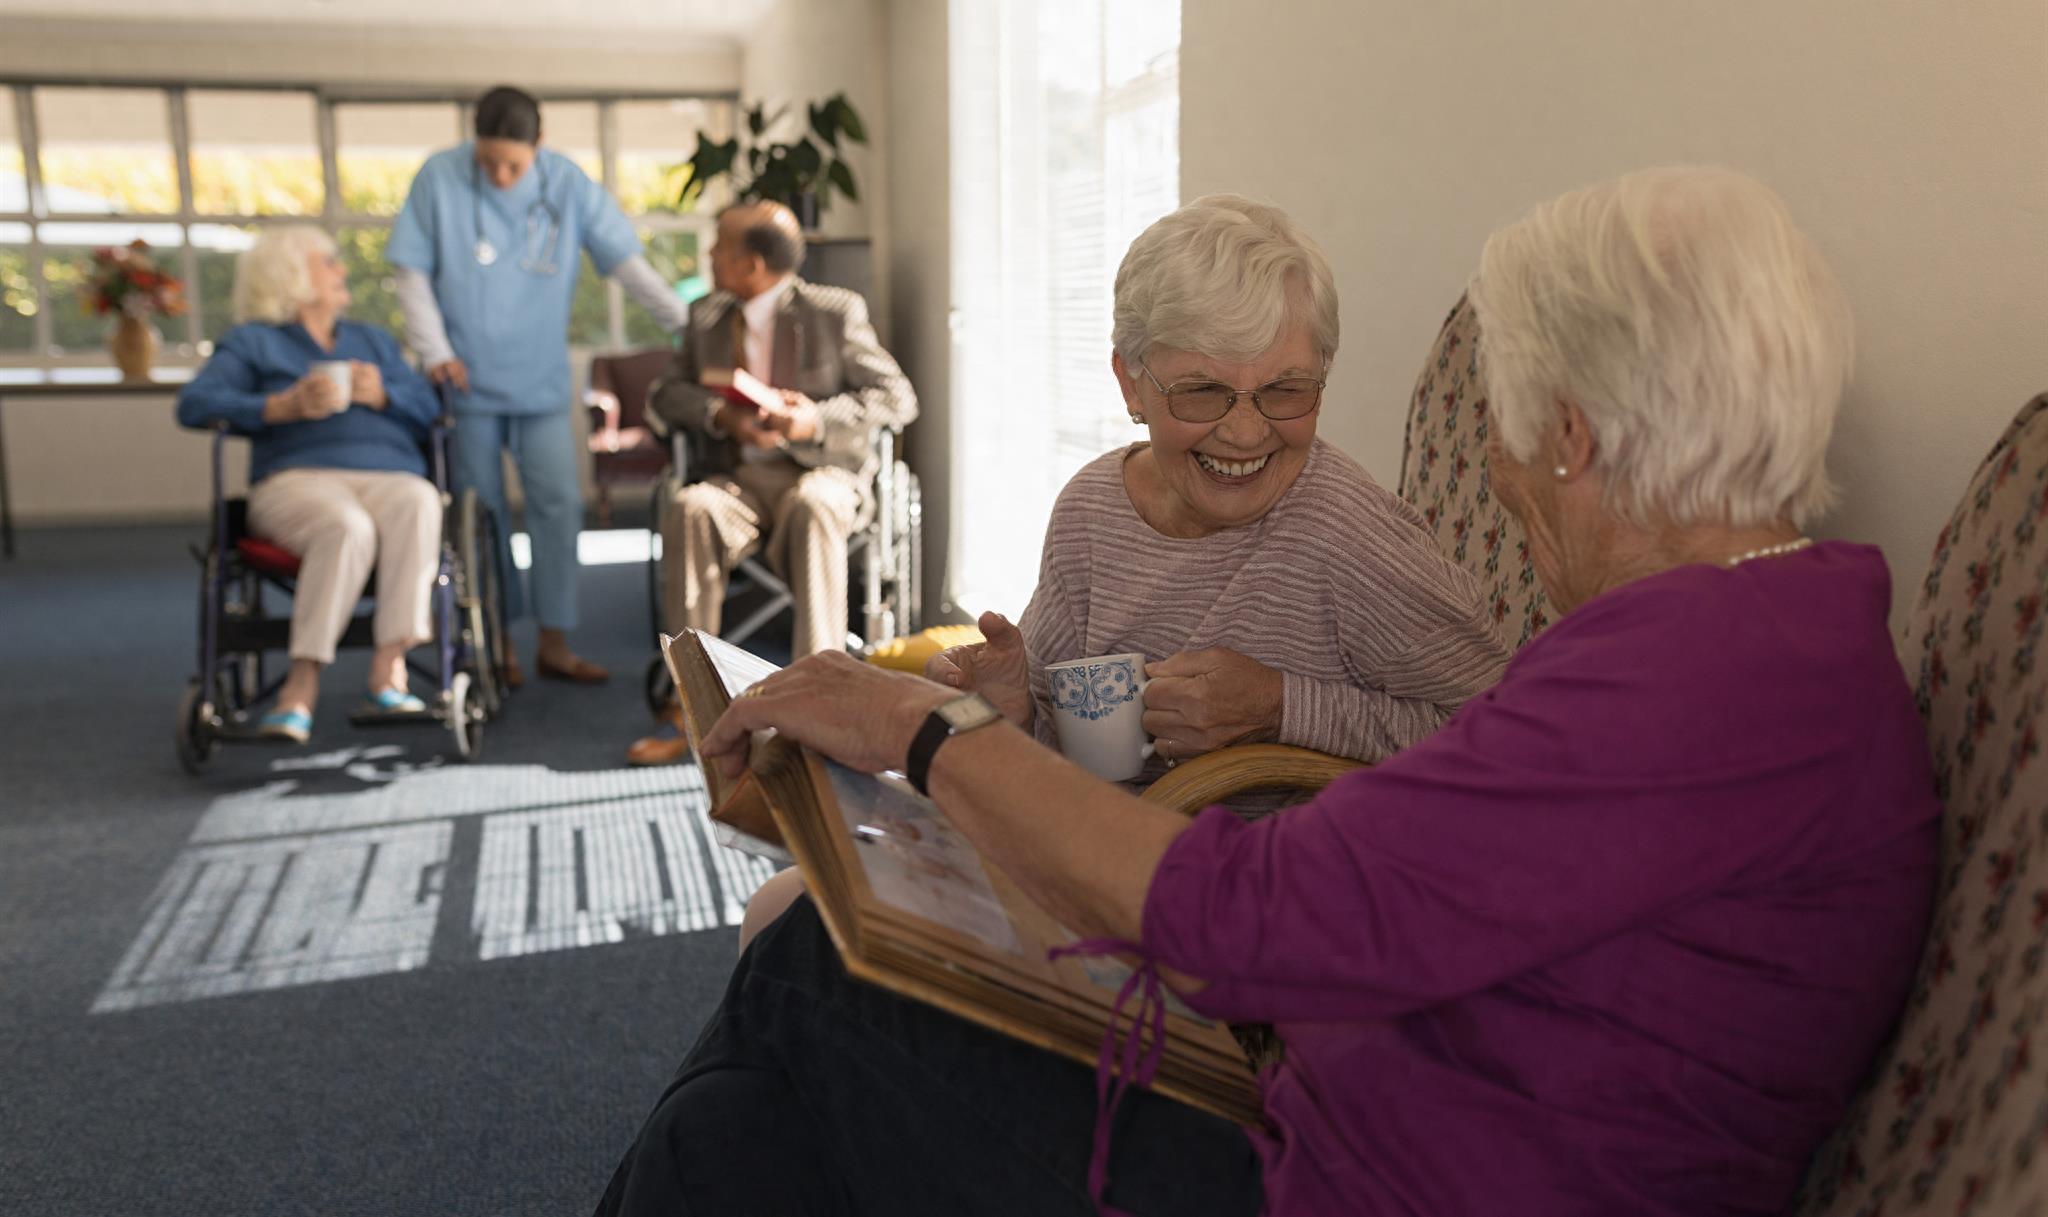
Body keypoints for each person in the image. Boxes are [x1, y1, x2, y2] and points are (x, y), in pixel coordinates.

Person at [593, 166, 1942, 1217]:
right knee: (754, 1104)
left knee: (807, 990)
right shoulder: (1759, 642)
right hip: (1328, 1104)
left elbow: (1244, 914)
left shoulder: (1692, 682)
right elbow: (1404, 873)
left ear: (1573, 436)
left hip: (1334, 1178)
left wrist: (920, 726)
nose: (1507, 475)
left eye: (1510, 437)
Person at [735, 195, 1513, 954]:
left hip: (1232, 913)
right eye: (1203, 391)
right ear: (1131, 383)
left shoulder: (1346, 532)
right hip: (1076, 859)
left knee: (807, 945)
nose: (1246, 431)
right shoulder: (1093, 508)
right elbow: (1055, 743)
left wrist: (1283, 706)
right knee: (782, 909)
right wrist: (1009, 703)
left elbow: (1503, 736)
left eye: (1285, 389)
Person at [390, 84, 693, 688]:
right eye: (489, 161)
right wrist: (436, 351)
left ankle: (554, 640)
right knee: (483, 513)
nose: (501, 176)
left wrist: (690, 325)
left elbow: (626, 265)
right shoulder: (439, 177)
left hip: (539, 380)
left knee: (558, 506)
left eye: (514, 164)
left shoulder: (568, 184)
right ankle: (497, 641)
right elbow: (411, 272)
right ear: (472, 145)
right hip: (466, 379)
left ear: (540, 147)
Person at [625, 199, 918, 767]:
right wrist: (719, 414)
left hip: (823, 474)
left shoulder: (834, 311)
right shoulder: (706, 317)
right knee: (691, 507)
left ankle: (819, 711)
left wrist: (816, 418)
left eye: (718, 246)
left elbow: (897, 398)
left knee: (814, 504)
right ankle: (695, 710)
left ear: (752, 264)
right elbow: (665, 394)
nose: (708, 254)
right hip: (740, 483)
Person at [176, 226, 443, 744]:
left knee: (420, 499)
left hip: (390, 475)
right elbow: (195, 404)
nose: (341, 271)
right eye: (329, 262)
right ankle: (301, 685)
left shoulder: (372, 341)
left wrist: (383, 394)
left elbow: (431, 409)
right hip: (299, 480)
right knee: (346, 527)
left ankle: (390, 670)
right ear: (293, 276)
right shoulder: (253, 342)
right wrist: (277, 407)